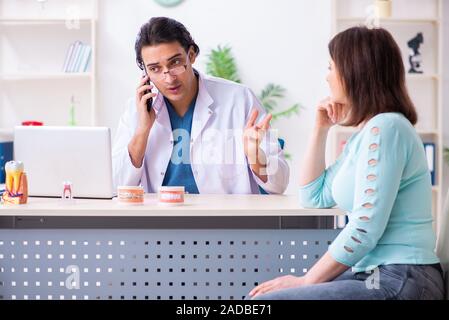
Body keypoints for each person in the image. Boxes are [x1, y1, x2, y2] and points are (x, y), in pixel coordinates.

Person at [249, 26, 444, 300]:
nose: (327, 77)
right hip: (377, 273)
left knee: (268, 302)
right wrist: (321, 129)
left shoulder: (387, 128)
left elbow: (365, 228)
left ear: (355, 71)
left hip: (403, 275)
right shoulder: (364, 136)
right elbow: (313, 196)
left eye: (331, 67)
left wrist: (307, 281)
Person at [112, 17, 289, 194]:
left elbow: (279, 183)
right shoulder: (137, 109)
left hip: (223, 219)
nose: (169, 78)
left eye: (175, 62)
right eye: (155, 69)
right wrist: (142, 131)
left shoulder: (240, 99)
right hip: (160, 219)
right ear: (145, 73)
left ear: (191, 55)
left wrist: (254, 154)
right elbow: (115, 185)